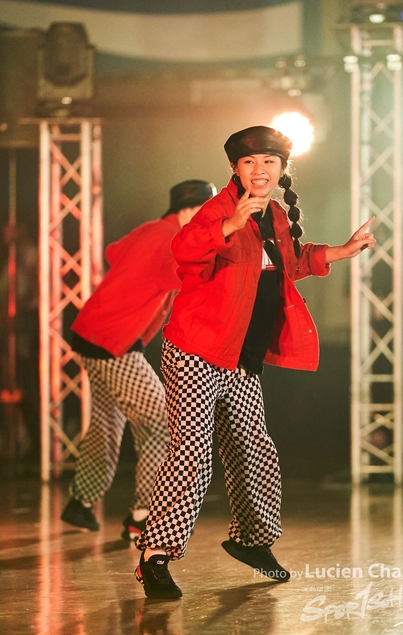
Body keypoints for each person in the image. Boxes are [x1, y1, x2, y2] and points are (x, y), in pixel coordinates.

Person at [134, 125, 376, 599]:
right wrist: (228, 225)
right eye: (249, 162)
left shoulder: (277, 215)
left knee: (255, 451)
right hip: (196, 350)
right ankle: (155, 557)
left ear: (282, 168)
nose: (259, 170)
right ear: (235, 169)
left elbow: (291, 263)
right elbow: (183, 249)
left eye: (268, 162)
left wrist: (343, 250)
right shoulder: (219, 209)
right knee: (192, 455)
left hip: (241, 357)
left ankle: (252, 541)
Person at [61, 179, 217, 539]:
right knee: (162, 423)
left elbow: (114, 251)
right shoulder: (170, 240)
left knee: (107, 421)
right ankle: (142, 515)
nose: (209, 222)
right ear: (189, 211)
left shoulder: (151, 230)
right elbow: (185, 276)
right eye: (206, 214)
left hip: (93, 333)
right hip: (112, 341)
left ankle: (81, 503)